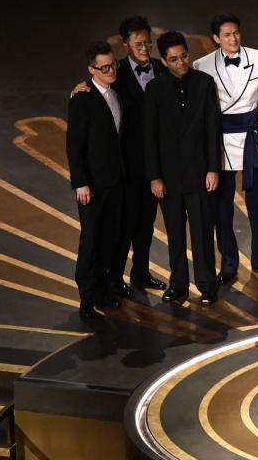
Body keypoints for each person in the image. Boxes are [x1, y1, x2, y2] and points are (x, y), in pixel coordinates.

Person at [72, 17, 169, 293]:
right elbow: (96, 86)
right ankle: (115, 278)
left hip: (154, 165)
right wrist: (77, 88)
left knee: (147, 224)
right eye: (138, 43)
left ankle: (141, 273)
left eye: (147, 42)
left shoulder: (161, 70)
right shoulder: (118, 72)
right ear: (125, 44)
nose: (144, 47)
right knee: (124, 226)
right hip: (125, 166)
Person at [193, 13, 258, 285]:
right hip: (221, 143)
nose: (233, 38)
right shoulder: (201, 65)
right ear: (216, 38)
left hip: (252, 139)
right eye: (226, 34)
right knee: (222, 209)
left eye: (236, 32)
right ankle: (228, 262)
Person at [143, 31, 221, 305]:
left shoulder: (204, 83)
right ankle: (178, 284)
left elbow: (213, 129)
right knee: (175, 234)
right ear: (163, 61)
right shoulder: (154, 89)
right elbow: (149, 137)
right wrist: (154, 176)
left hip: (200, 173)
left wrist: (213, 169)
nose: (181, 63)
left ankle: (207, 285)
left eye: (184, 56)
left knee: (202, 233)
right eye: (173, 59)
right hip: (169, 177)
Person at [67, 41, 125, 321]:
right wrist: (80, 182)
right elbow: (74, 145)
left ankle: (104, 290)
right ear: (92, 70)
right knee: (90, 240)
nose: (112, 70)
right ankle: (87, 299)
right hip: (91, 186)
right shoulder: (82, 98)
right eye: (105, 67)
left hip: (115, 182)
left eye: (113, 64)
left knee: (109, 239)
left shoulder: (116, 91)